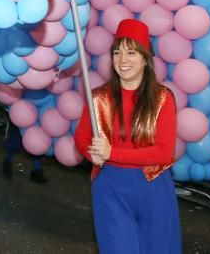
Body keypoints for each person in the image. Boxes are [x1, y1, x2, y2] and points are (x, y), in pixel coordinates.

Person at [73, 19, 180, 254]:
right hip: (110, 188)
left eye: (131, 53)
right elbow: (81, 136)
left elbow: (164, 152)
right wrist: (91, 153)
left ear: (144, 58)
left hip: (153, 187)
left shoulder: (163, 98)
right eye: (117, 52)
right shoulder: (98, 98)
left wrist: (111, 152)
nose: (123, 60)